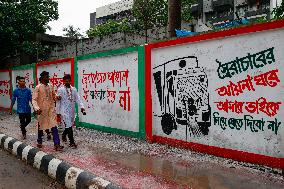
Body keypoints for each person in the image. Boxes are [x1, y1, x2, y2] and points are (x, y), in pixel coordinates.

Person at [32, 71, 64, 151]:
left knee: (54, 126)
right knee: (41, 126)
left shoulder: (50, 86)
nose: (48, 78)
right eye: (46, 77)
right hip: (42, 111)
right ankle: (39, 141)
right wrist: (37, 108)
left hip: (51, 110)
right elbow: (34, 100)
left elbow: (53, 95)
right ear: (42, 78)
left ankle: (57, 144)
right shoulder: (38, 87)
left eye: (48, 76)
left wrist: (57, 97)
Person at [56, 74, 85, 149]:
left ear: (70, 81)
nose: (67, 82)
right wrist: (58, 112)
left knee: (69, 125)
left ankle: (63, 135)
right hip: (64, 111)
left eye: (68, 80)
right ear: (63, 81)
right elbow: (58, 101)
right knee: (69, 126)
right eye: (65, 81)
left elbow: (78, 99)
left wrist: (82, 107)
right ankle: (72, 142)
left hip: (72, 110)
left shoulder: (74, 89)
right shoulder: (60, 90)